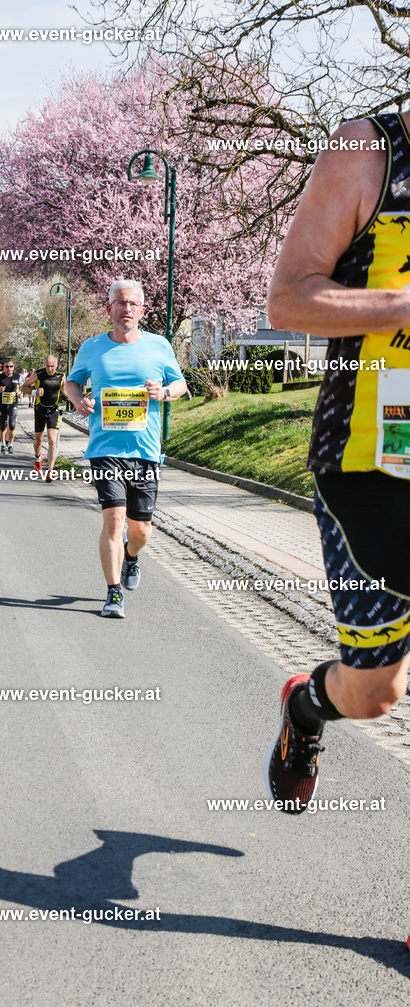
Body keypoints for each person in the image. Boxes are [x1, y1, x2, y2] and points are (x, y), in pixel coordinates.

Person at [264, 110, 410, 819]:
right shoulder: (368, 150)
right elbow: (288, 296)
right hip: (372, 463)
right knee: (376, 691)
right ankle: (307, 703)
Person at [64, 280, 187, 618]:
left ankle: (131, 557)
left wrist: (164, 392)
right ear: (109, 309)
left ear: (142, 311)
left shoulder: (159, 346)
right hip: (105, 448)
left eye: (133, 303)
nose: (127, 308)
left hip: (145, 449)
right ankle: (112, 593)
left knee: (140, 530)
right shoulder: (92, 348)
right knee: (114, 519)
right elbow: (71, 382)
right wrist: (79, 401)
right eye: (120, 303)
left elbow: (180, 384)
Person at [21, 354, 66, 479]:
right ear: (44, 365)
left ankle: (50, 470)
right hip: (40, 409)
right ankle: (38, 457)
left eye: (52, 366)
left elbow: (65, 390)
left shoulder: (61, 376)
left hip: (53, 410)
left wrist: (71, 399)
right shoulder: (38, 374)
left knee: (52, 439)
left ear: (56, 365)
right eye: (47, 366)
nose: (50, 369)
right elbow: (23, 387)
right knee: (38, 440)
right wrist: (34, 392)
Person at [0, 359, 22, 454]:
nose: (9, 368)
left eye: (11, 366)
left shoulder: (17, 377)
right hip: (2, 405)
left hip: (13, 404)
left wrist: (20, 393)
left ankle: (11, 445)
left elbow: (22, 387)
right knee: (3, 426)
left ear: (13, 367)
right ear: (4, 368)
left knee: (12, 425)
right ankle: (3, 444)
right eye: (7, 366)